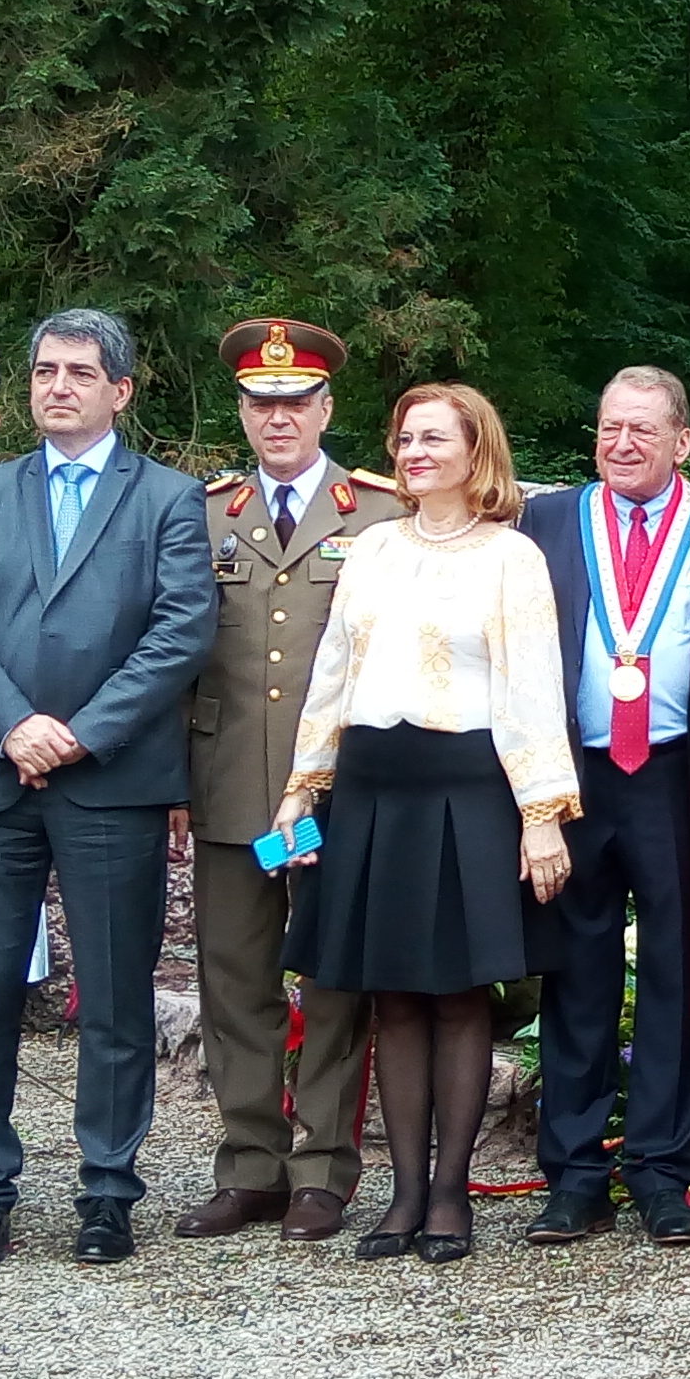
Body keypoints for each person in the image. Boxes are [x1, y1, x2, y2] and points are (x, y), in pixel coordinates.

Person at [0, 308, 217, 1271]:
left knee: (114, 996)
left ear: (120, 391)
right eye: (46, 370)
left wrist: (82, 734)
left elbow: (179, 630)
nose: (59, 386)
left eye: (80, 373)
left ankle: (107, 1190)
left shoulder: (169, 500)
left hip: (111, 780)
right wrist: (15, 724)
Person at [277, 382, 578, 1263]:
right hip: (372, 789)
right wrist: (304, 785)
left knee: (456, 995)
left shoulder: (509, 557)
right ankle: (403, 1193)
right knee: (392, 996)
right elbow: (334, 668)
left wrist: (542, 814)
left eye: (432, 439)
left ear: (475, 451)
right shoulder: (369, 547)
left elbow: (532, 687)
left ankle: (452, 1196)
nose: (412, 453)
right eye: (404, 439)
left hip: (466, 791)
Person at [175, 320, 402, 1244]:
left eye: (296, 401)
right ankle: (250, 1165)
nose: (279, 417)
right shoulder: (202, 514)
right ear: (242, 409)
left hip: (342, 788)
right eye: (262, 403)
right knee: (234, 982)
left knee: (336, 983)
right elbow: (178, 655)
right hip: (229, 781)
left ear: (326, 409)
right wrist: (173, 788)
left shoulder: (379, 515)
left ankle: (322, 1172)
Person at [522, 368, 690, 1248]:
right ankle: (575, 1176)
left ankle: (663, 1170)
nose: (621, 445)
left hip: (678, 776)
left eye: (642, 431)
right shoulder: (545, 521)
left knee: (676, 971)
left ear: (683, 442)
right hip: (574, 776)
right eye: (609, 427)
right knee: (575, 972)